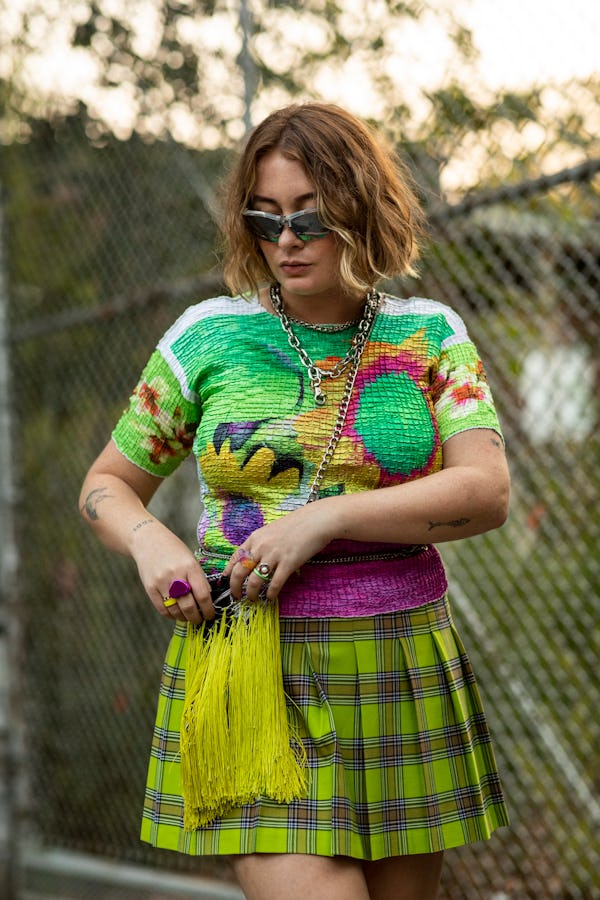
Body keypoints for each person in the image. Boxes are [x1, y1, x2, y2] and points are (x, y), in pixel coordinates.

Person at [79, 102, 510, 900]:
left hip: (397, 663)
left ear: (361, 211)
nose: (284, 242)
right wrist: (151, 543)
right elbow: (106, 486)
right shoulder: (205, 338)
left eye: (310, 220)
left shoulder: (430, 335)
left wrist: (326, 517)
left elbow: (485, 492)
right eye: (266, 218)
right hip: (250, 669)